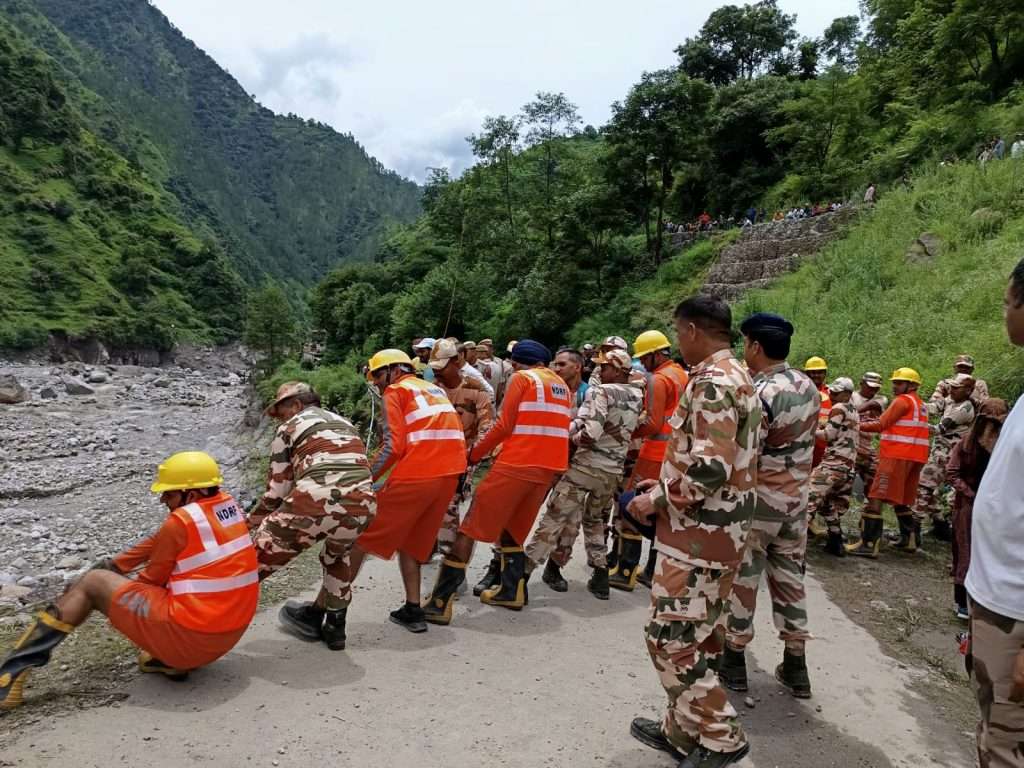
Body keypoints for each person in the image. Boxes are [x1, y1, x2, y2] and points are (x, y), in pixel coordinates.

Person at [1, 452, 258, 709]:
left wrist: (104, 588)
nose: (162, 500)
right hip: (224, 638)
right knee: (109, 580)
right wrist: (116, 565)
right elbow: (161, 541)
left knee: (93, 583)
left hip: (190, 640)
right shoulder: (227, 507)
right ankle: (166, 659)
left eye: (168, 494)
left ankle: (8, 678)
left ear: (190, 494)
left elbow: (149, 583)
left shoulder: (179, 522)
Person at [626, 295, 759, 768]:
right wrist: (661, 481)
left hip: (699, 535)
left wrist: (655, 499)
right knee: (700, 635)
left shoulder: (712, 383)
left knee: (670, 638)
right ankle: (680, 731)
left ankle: (722, 736)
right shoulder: (739, 375)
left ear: (691, 332)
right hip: (716, 531)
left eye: (678, 332)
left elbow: (709, 469)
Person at [421, 340, 570, 623]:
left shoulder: (522, 378)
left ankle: (439, 603)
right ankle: (511, 590)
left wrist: (474, 455)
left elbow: (504, 425)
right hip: (547, 469)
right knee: (513, 529)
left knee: (469, 528)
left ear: (516, 361)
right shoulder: (561, 386)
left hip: (516, 464)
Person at [719, 313, 818, 700]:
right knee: (791, 581)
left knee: (744, 580)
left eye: (745, 344)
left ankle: (733, 660)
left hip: (760, 505)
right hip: (796, 504)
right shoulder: (808, 386)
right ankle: (796, 665)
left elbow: (746, 453)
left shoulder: (759, 393)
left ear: (755, 346)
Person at [249, 381, 376, 650]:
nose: (279, 419)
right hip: (364, 503)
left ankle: (201, 628)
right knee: (336, 557)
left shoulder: (289, 427)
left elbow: (276, 493)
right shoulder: (345, 423)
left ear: (296, 405)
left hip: (317, 499)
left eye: (281, 411)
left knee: (249, 565)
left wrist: (250, 524)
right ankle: (335, 629)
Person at [347, 349, 467, 633]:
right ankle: (413, 609)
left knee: (362, 538)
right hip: (449, 475)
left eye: (377, 375)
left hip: (420, 473)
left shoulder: (396, 391)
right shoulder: (433, 389)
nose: (376, 383)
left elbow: (392, 446)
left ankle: (321, 610)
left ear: (392, 370)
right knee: (413, 542)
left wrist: (364, 477)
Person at [965, 257, 1024, 768]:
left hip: (1017, 620)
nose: (1004, 313)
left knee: (1007, 745)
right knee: (994, 733)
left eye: (1008, 302)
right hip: (998, 603)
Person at [523, 348, 643, 599]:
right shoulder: (636, 394)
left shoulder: (601, 391)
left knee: (554, 519)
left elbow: (591, 433)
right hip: (612, 472)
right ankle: (600, 576)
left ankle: (521, 576)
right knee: (595, 521)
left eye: (605, 367)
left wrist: (570, 438)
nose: (600, 370)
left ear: (618, 369)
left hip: (586, 467)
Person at [609, 330, 688, 592]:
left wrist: (625, 432)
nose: (642, 363)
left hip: (654, 453)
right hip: (675, 454)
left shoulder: (658, 379)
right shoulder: (681, 374)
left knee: (633, 507)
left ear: (656, 354)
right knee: (662, 513)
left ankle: (625, 571)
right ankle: (652, 571)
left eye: (644, 357)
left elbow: (653, 422)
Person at [847, 368, 930, 557]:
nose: (894, 386)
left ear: (912, 385)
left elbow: (880, 424)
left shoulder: (902, 401)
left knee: (876, 495)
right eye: (894, 382)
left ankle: (868, 544)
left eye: (899, 383)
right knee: (900, 498)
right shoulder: (920, 404)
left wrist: (854, 424)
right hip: (916, 457)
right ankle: (909, 539)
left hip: (896, 455)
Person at [530, 346, 591, 591]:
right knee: (522, 512)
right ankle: (501, 565)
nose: (556, 369)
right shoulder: (548, 390)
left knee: (569, 523)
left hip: (572, 466)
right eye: (554, 364)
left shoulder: (589, 394)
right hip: (543, 462)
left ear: (577, 367)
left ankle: (554, 569)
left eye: (562, 364)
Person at [431, 339, 495, 557]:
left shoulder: (475, 388)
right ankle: (431, 542)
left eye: (441, 368)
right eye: (434, 369)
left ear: (456, 361)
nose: (437, 373)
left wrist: (473, 455)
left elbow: (487, 426)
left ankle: (450, 559)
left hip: (465, 454)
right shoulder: (431, 390)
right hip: (435, 454)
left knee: (450, 503)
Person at [947, 398, 1008, 620]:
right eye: (988, 421)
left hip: (996, 511)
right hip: (968, 506)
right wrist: (972, 494)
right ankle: (962, 602)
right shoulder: (966, 444)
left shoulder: (1006, 447)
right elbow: (952, 473)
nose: (992, 427)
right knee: (965, 552)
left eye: (997, 422)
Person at [916, 373, 975, 540]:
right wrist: (912, 406)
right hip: (939, 450)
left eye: (957, 388)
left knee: (923, 486)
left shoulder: (965, 408)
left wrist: (912, 424)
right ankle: (940, 524)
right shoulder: (950, 400)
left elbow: (940, 428)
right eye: (952, 387)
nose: (952, 390)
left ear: (968, 391)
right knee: (928, 488)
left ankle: (913, 527)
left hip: (949, 453)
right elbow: (931, 408)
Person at [806, 377, 859, 557]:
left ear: (848, 393)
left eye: (837, 393)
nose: (833, 395)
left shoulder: (838, 408)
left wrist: (807, 432)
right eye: (832, 392)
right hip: (848, 467)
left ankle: (791, 544)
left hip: (833, 464)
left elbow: (828, 435)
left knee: (808, 499)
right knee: (828, 505)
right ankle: (836, 542)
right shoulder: (854, 410)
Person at [851, 372, 888, 496]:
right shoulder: (852, 396)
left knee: (874, 482)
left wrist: (852, 413)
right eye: (870, 387)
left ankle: (870, 509)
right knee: (844, 481)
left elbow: (872, 405)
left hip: (869, 447)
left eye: (876, 388)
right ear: (861, 384)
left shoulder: (881, 399)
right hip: (853, 445)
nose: (873, 391)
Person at [803, 357, 832, 475]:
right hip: (803, 444)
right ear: (807, 374)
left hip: (823, 445)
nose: (816, 375)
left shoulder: (831, 393)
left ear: (824, 374)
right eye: (813, 372)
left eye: (820, 372)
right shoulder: (799, 391)